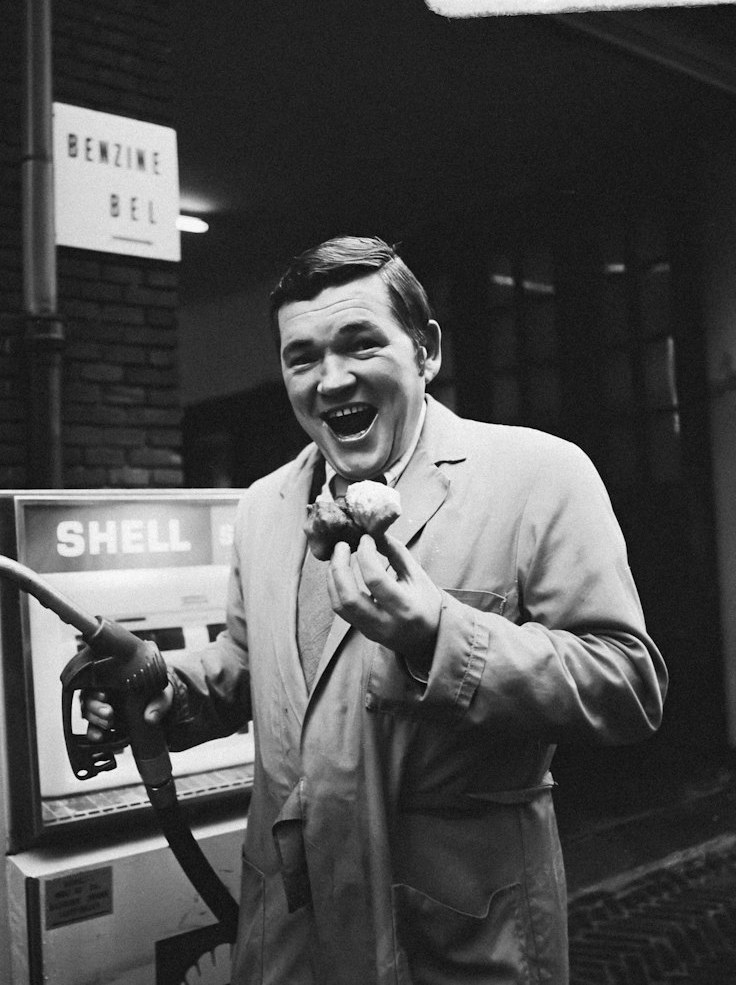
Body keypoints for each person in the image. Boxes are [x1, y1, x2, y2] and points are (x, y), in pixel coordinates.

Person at [84, 235, 667, 983]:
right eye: (302, 357)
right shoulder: (265, 507)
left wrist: (437, 635)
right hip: (294, 932)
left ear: (426, 350)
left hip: (453, 931)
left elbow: (627, 683)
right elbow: (248, 665)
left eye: (361, 344)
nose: (331, 379)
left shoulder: (539, 475)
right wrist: (163, 683)